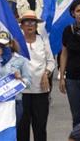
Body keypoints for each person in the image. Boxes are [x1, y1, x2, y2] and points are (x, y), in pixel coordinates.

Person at [18, 11, 54, 141]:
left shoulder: (43, 40)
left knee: (40, 127)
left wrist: (47, 73)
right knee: (22, 128)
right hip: (22, 91)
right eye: (26, 22)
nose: (29, 25)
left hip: (41, 90)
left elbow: (51, 62)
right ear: (21, 25)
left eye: (32, 22)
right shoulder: (17, 42)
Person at [0, 31, 31, 120]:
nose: (1, 47)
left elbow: (29, 82)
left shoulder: (21, 60)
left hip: (15, 100)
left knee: (14, 129)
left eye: (4, 44)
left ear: (11, 44)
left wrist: (20, 80)